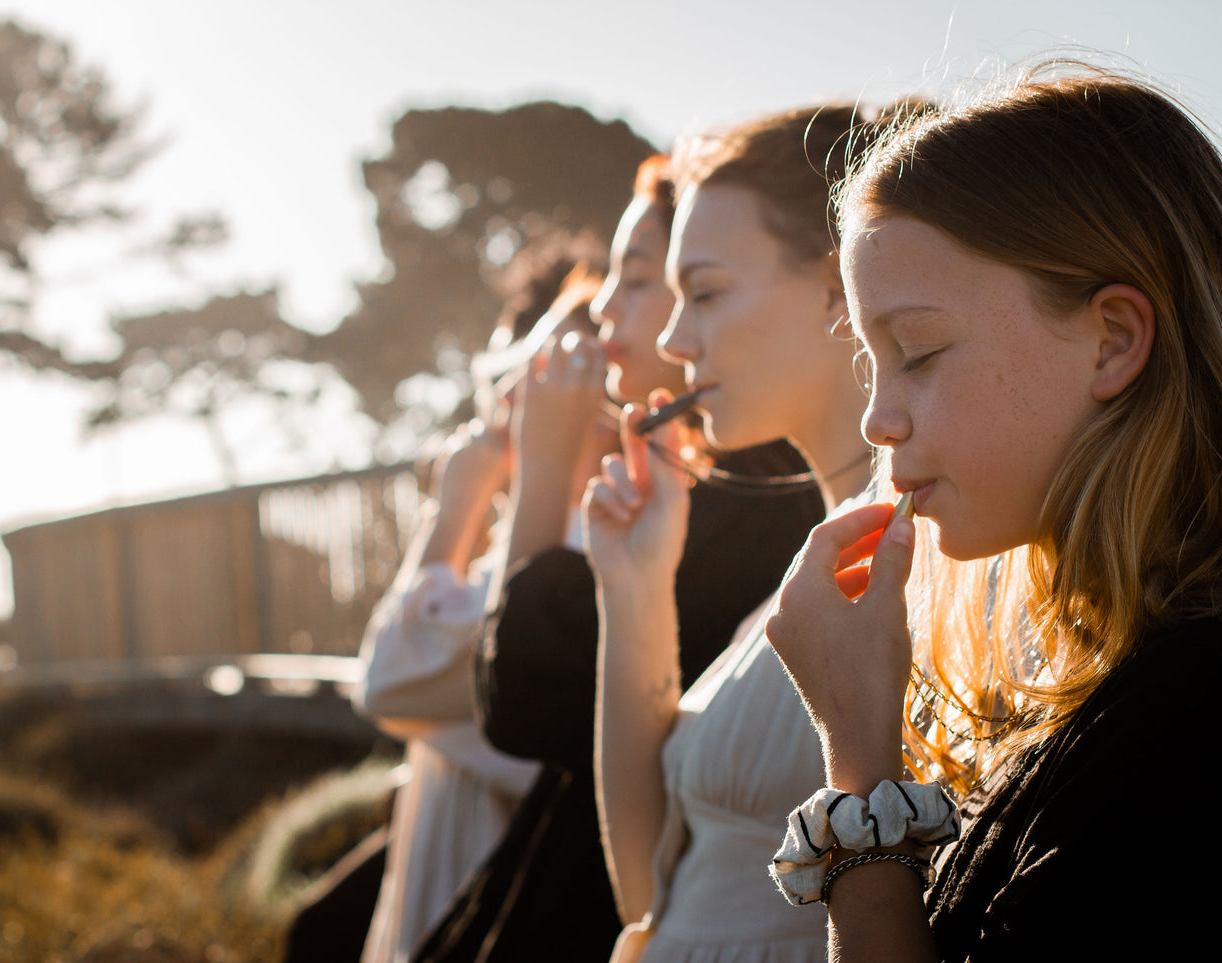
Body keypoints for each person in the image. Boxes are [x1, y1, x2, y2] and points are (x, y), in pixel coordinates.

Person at [763, 64, 1222, 961]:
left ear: (1112, 340)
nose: (877, 416)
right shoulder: (1154, 670)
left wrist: (860, 762)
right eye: (871, 361)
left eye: (917, 350)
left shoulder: (1214, 714)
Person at [415, 156, 824, 962]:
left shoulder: (758, 499)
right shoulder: (691, 487)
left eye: (644, 281)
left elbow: (520, 696)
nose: (602, 309)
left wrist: (540, 469)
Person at [583, 104, 886, 961]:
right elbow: (646, 882)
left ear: (840, 287)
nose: (674, 340)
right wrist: (633, 583)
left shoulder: (911, 550)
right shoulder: (814, 557)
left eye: (704, 293)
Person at [349, 264, 610, 963]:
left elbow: (387, 679)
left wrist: (455, 506)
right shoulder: (537, 544)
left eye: (544, 368)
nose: (501, 394)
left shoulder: (583, 550)